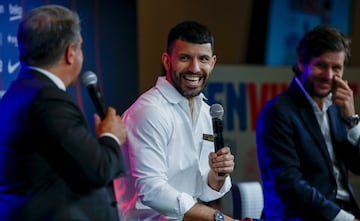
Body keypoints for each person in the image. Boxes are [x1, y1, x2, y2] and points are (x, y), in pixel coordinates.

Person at [0, 5, 127, 221]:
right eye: (80, 47)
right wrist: (111, 136)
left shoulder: (18, 92)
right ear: (70, 52)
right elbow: (98, 170)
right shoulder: (49, 100)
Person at [114, 20, 238, 221]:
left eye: (203, 59)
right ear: (166, 60)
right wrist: (217, 217)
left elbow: (203, 192)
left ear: (213, 63)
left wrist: (217, 175)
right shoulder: (150, 111)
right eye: (185, 58)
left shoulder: (206, 112)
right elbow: (151, 190)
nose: (194, 68)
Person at [256, 25, 360, 221]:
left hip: (345, 210)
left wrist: (352, 121)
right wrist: (345, 219)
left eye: (336, 68)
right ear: (301, 63)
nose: (329, 76)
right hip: (300, 216)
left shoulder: (339, 107)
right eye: (321, 65)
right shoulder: (277, 112)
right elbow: (290, 184)